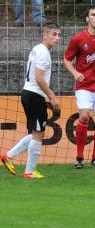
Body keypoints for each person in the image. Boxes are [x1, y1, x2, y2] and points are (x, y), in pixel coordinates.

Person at [1, 22, 60, 178]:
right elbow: (39, 78)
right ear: (45, 35)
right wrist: (52, 96)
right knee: (39, 133)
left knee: (36, 132)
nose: (57, 38)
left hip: (29, 93)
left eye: (58, 35)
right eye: (54, 34)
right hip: (34, 95)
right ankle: (29, 171)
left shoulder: (37, 49)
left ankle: (8, 156)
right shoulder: (43, 53)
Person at [64, 6, 95, 169]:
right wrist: (75, 72)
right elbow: (66, 59)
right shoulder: (78, 39)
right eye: (93, 15)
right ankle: (79, 157)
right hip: (84, 85)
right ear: (87, 19)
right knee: (84, 116)